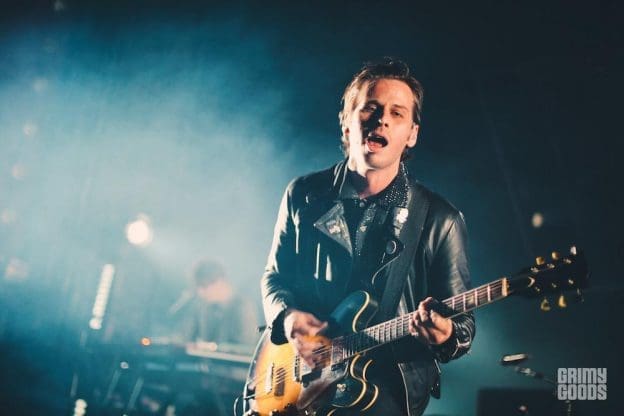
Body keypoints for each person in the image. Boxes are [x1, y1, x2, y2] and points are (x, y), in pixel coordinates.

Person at [261, 58, 475, 415]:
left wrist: (446, 334)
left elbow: (463, 327)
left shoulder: (440, 219)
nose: (382, 120)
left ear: (412, 134)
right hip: (303, 382)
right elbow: (274, 277)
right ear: (346, 122)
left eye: (397, 113)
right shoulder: (304, 194)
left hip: (387, 393)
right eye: (370, 108)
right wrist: (287, 318)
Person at [171, 259, 257, 348]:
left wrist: (211, 347)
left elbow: (245, 347)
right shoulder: (203, 307)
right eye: (198, 287)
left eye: (204, 286)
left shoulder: (243, 307)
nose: (200, 292)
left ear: (220, 281)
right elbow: (185, 336)